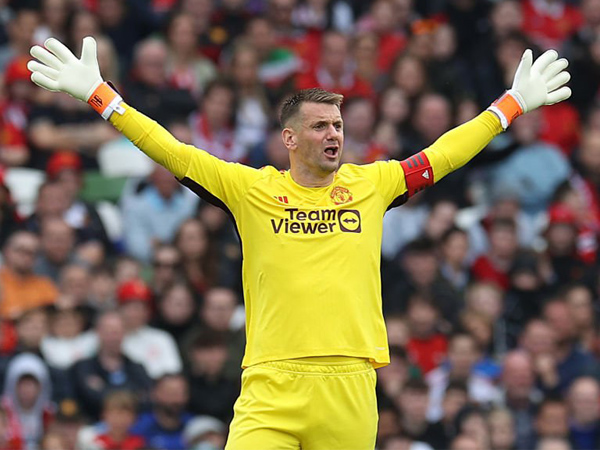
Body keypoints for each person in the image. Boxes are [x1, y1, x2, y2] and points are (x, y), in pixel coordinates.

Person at [28, 35, 572, 449]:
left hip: (350, 381)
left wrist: (511, 105)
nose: (334, 134)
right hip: (272, 383)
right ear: (289, 138)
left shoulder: (373, 184)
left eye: (337, 125)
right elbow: (172, 150)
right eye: (319, 126)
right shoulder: (251, 189)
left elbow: (445, 153)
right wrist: (100, 96)